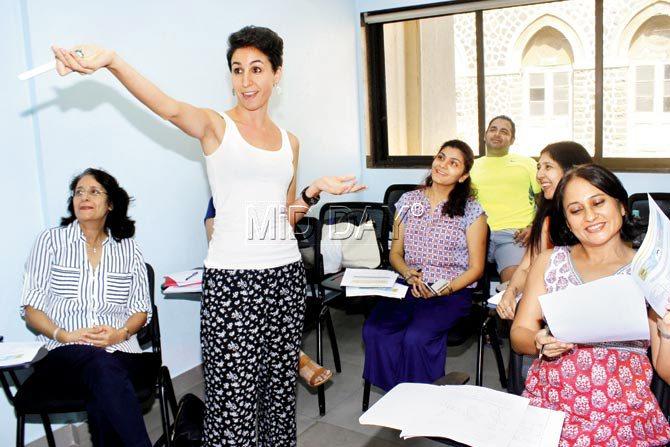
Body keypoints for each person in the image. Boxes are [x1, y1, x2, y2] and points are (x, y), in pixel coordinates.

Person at [52, 26, 364, 446]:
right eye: (237, 71)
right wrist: (112, 60)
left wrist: (313, 190)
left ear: (277, 73)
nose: (246, 81)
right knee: (232, 409)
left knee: (278, 403)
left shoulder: (290, 143)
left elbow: (280, 220)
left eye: (256, 69)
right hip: (233, 283)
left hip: (285, 280)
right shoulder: (216, 126)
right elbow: (166, 106)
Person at [510, 164, 670, 446]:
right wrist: (539, 341)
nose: (590, 216)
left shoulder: (648, 269)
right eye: (576, 210)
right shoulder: (549, 261)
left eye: (598, 202)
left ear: (621, 205)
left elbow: (665, 369)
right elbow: (519, 332)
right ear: (567, 221)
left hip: (621, 415)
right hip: (552, 406)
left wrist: (668, 332)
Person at [21, 168, 153, 447]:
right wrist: (64, 335)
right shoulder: (50, 242)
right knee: (101, 366)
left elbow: (141, 310)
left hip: (121, 350)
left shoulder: (129, 249)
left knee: (103, 383)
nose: (84, 197)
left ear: (111, 204)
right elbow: (31, 308)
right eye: (78, 192)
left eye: (94, 191)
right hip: (63, 352)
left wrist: (119, 334)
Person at [362, 140, 487, 391]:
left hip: (451, 289)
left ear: (463, 176)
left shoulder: (472, 211)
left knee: (416, 338)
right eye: (441, 157)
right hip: (409, 283)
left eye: (453, 163)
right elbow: (395, 253)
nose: (443, 165)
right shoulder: (409, 201)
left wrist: (444, 289)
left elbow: (476, 268)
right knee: (375, 330)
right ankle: (395, 393)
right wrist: (408, 273)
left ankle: (421, 398)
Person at [203, 197, 332, 388]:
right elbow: (215, 242)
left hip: (273, 282)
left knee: (267, 303)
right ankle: (295, 355)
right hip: (237, 280)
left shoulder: (272, 196)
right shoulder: (220, 200)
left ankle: (291, 355)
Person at [497, 142, 592, 320]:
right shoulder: (546, 218)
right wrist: (510, 292)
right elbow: (527, 266)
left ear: (573, 170)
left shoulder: (593, 220)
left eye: (548, 167)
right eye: (539, 168)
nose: (539, 175)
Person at [470, 115, 541, 283]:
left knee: (513, 288)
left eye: (504, 131)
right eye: (493, 129)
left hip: (513, 236)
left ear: (512, 139)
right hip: (474, 236)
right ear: (485, 135)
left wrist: (534, 227)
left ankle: (502, 308)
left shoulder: (527, 163)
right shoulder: (470, 166)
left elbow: (543, 200)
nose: (497, 134)